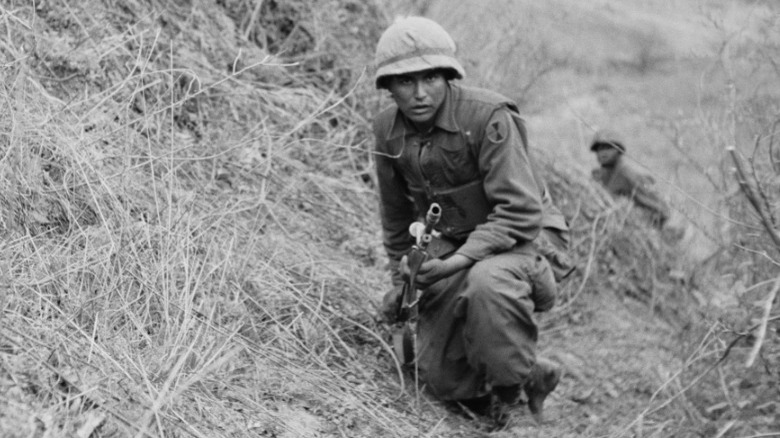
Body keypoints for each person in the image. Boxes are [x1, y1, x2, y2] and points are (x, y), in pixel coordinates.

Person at [371, 16, 570, 425]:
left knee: (487, 283)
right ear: (389, 88)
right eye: (406, 82)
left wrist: (457, 264)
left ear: (448, 76)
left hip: (528, 239)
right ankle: (533, 373)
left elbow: (520, 211)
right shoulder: (386, 132)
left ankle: (510, 400)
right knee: (441, 381)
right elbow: (396, 217)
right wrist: (402, 281)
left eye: (431, 78)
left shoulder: (488, 116)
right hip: (456, 240)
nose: (420, 93)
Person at [589, 129, 671, 229]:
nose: (603, 153)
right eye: (599, 149)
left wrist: (639, 225)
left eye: (608, 148)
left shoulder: (628, 174)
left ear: (618, 150)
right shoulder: (599, 175)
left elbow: (661, 209)